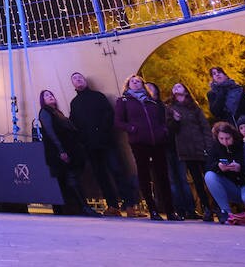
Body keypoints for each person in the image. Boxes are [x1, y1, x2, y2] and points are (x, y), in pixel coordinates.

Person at [113, 74, 177, 220]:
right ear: (128, 85)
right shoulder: (123, 101)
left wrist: (163, 130)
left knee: (163, 176)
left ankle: (170, 211)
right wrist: (132, 129)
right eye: (133, 81)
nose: (136, 83)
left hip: (158, 142)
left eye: (139, 82)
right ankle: (153, 209)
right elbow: (118, 122)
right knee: (144, 175)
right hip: (139, 142)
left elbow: (162, 120)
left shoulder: (152, 102)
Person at [68, 71, 132, 216]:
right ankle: (112, 206)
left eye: (80, 77)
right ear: (73, 84)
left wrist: (102, 131)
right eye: (75, 79)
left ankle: (129, 205)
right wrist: (83, 140)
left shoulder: (98, 96)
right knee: (101, 176)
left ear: (85, 81)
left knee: (117, 171)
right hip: (90, 146)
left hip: (106, 142)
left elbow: (109, 115)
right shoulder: (74, 103)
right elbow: (74, 124)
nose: (78, 80)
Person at [37, 90, 97, 216]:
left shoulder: (58, 113)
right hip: (60, 152)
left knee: (72, 179)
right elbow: (50, 132)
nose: (50, 96)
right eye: (46, 96)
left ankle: (79, 207)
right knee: (71, 179)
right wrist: (61, 150)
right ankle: (83, 207)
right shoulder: (45, 112)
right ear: (43, 101)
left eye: (51, 94)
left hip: (70, 149)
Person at [165, 83, 212, 220]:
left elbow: (205, 127)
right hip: (186, 150)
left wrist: (208, 146)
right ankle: (206, 208)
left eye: (179, 86)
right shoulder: (171, 108)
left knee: (209, 178)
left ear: (186, 90)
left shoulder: (194, 107)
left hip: (201, 146)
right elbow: (170, 130)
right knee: (197, 181)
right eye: (174, 87)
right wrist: (176, 120)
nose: (176, 88)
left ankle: (217, 207)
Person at [203, 121, 245, 223]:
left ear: (233, 136)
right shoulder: (216, 147)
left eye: (228, 138)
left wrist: (240, 168)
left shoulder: (243, 145)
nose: (225, 142)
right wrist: (219, 167)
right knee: (209, 176)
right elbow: (208, 166)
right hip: (231, 186)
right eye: (221, 139)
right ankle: (225, 212)